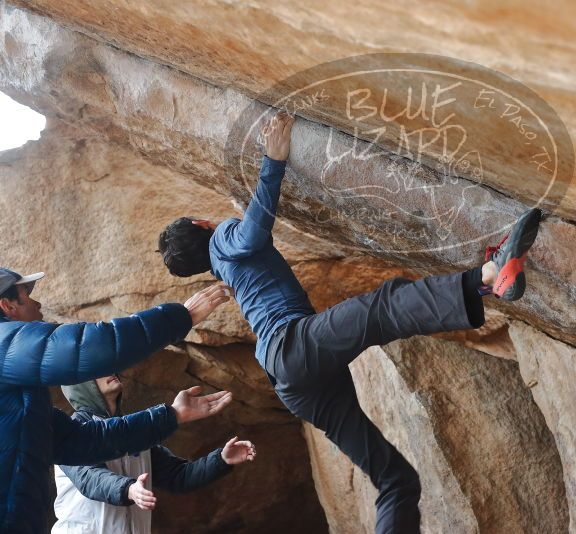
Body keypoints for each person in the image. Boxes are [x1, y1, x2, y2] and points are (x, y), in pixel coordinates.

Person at [158, 112, 542, 534]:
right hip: (293, 346)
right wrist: (274, 159)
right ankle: (489, 277)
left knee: (396, 479)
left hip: (294, 384)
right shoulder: (222, 239)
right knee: (383, 307)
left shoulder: (224, 270)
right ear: (201, 224)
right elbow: (251, 233)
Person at [0, 267, 232, 533]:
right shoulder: (3, 343)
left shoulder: (25, 402)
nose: (38, 303)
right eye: (26, 295)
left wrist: (173, 415)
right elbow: (87, 347)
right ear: (7, 305)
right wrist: (182, 317)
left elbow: (85, 441)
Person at [52, 374, 256, 533]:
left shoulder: (134, 432)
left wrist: (221, 460)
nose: (109, 370)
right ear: (80, 384)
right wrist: (128, 489)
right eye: (97, 371)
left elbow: (179, 476)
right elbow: (90, 479)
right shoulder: (71, 432)